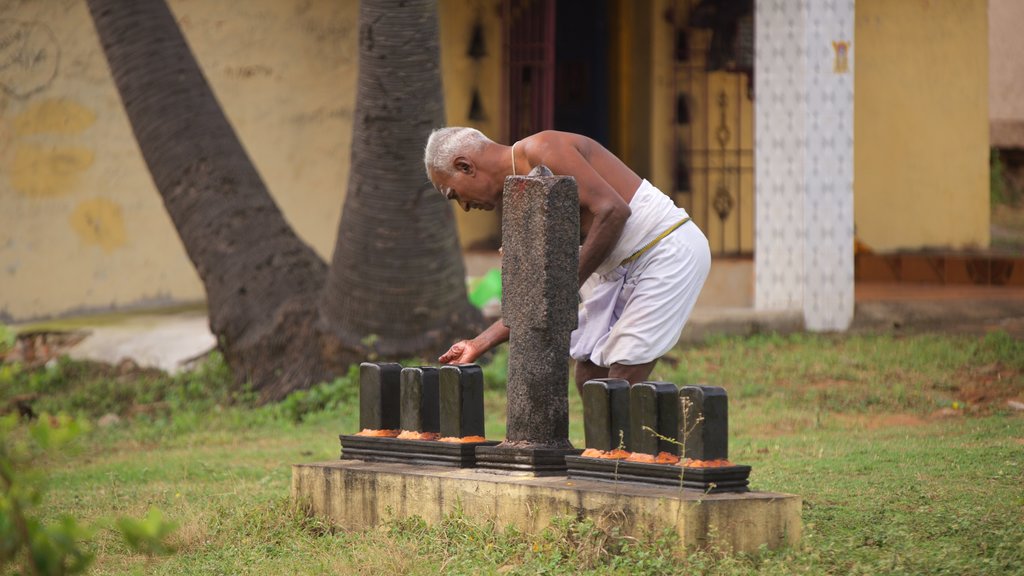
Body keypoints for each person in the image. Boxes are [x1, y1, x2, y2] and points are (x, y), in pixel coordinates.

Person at [423, 127, 710, 395]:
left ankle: (627, 451)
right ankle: (609, 451)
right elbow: (536, 301)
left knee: (622, 376)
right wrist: (477, 344)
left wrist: (562, 288)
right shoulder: (521, 194)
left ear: (465, 166)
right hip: (616, 268)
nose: (464, 206)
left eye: (454, 195)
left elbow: (612, 211)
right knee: (589, 377)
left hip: (664, 249)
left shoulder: (542, 148)